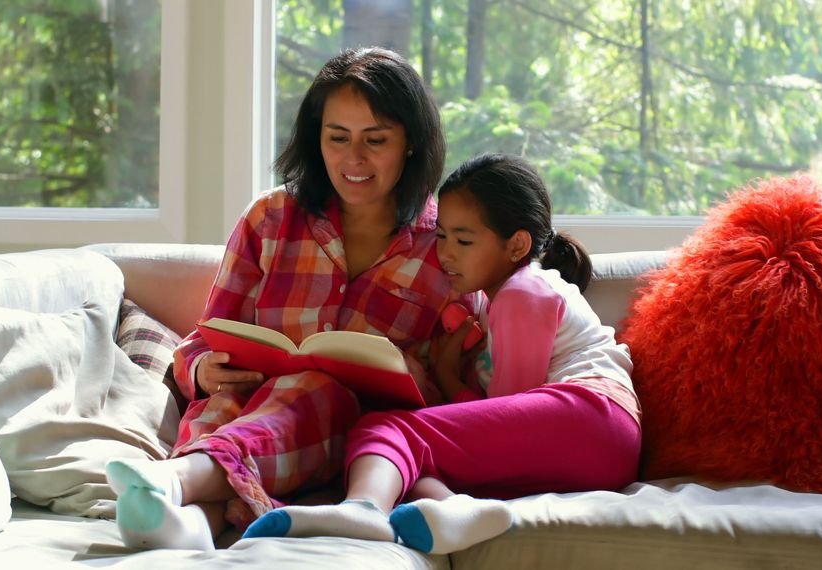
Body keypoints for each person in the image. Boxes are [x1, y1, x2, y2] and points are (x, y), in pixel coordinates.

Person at [103, 46, 467, 550]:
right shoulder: (270, 218)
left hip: (349, 443)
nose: (353, 159)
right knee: (231, 405)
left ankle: (173, 483)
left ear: (410, 143)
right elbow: (200, 344)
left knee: (315, 388)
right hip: (241, 415)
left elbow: (465, 394)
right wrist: (204, 369)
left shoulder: (448, 245)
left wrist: (421, 376)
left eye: (375, 140)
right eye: (336, 138)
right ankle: (187, 530)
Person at [242, 153, 642, 554]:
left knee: (386, 428)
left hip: (592, 417)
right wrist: (448, 376)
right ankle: (451, 510)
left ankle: (363, 508)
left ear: (517, 245)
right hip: (597, 446)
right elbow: (494, 428)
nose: (446, 254)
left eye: (464, 241)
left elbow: (509, 404)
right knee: (411, 460)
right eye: (443, 237)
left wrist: (449, 383)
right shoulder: (497, 302)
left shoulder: (525, 291)